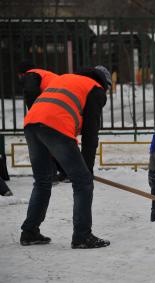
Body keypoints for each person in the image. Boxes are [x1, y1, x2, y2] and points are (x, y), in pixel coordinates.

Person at [20, 65, 111, 249]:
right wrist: (87, 169)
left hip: (32, 123)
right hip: (55, 125)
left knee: (42, 181)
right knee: (83, 183)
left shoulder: (65, 79)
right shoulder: (95, 89)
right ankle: (82, 236)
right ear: (104, 83)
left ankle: (29, 232)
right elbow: (90, 133)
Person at [17, 61, 67, 182]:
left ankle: (51, 175)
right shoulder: (45, 75)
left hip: (52, 109)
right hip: (63, 106)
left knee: (45, 141)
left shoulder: (31, 75)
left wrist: (34, 113)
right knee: (55, 141)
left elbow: (31, 92)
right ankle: (66, 172)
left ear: (22, 74)